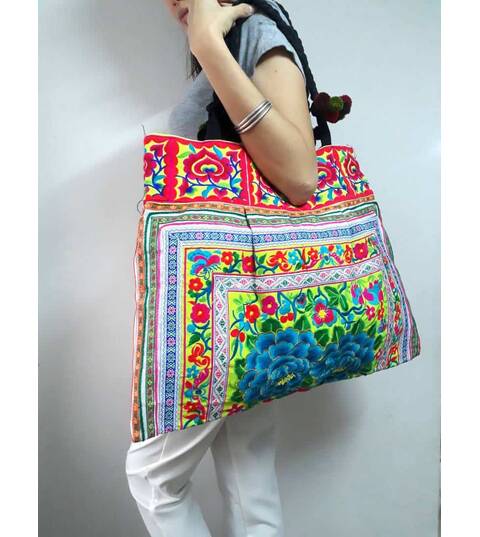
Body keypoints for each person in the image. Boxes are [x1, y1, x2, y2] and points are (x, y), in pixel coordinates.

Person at [125, 1, 319, 536]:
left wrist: (209, 45)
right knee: (248, 472)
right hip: (240, 298)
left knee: (153, 478)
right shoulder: (227, 39)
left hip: (225, 308)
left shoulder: (251, 33)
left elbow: (301, 175)